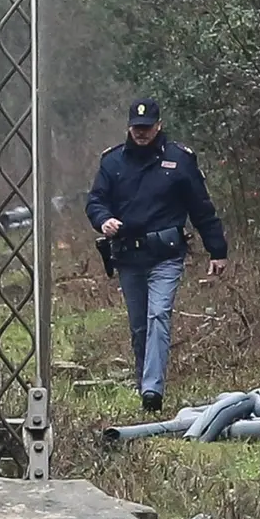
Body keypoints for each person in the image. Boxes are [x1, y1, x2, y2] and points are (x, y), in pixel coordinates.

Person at [85, 96, 228, 413]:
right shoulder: (112, 162)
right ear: (129, 128)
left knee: (159, 315)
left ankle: (153, 390)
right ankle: (144, 384)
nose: (142, 133)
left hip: (166, 255)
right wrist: (103, 220)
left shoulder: (179, 160)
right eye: (136, 128)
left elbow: (201, 208)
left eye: (147, 127)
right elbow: (95, 201)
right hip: (128, 257)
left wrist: (217, 250)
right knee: (140, 327)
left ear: (159, 125)